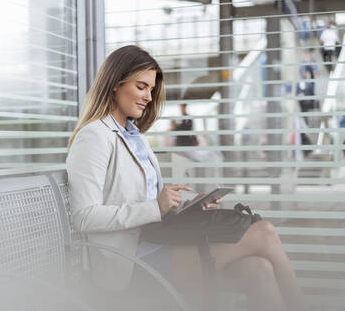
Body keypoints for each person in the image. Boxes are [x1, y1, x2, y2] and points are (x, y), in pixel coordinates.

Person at [66, 45, 306, 311]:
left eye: (151, 90)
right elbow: (84, 216)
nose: (148, 96)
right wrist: (155, 207)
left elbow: (146, 206)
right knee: (264, 232)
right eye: (141, 86)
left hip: (158, 242)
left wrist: (182, 207)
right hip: (132, 262)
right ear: (115, 84)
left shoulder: (135, 137)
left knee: (258, 268)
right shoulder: (94, 137)